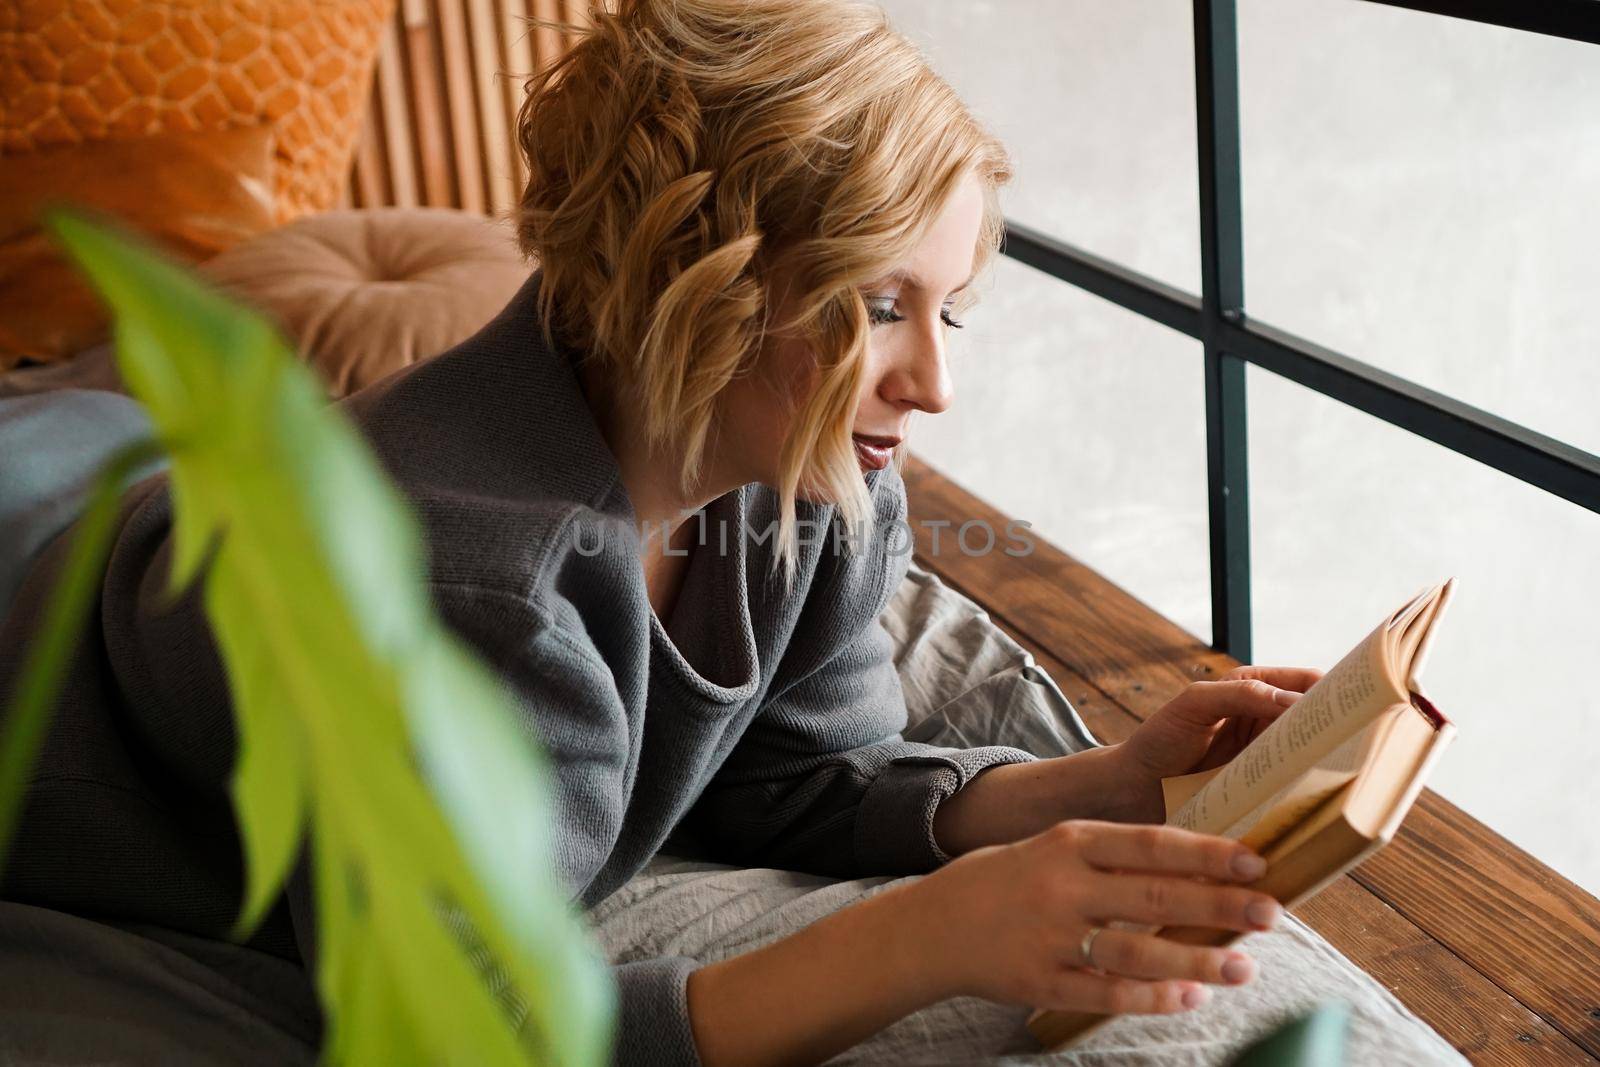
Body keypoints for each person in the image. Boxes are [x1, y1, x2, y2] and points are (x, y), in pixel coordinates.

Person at [0, 1, 1325, 1064]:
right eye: (873, 307)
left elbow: (801, 779)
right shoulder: (475, 587)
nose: (934, 385)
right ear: (691, 288)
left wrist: (1101, 782)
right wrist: (928, 938)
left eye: (948, 313)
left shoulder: (816, 494)